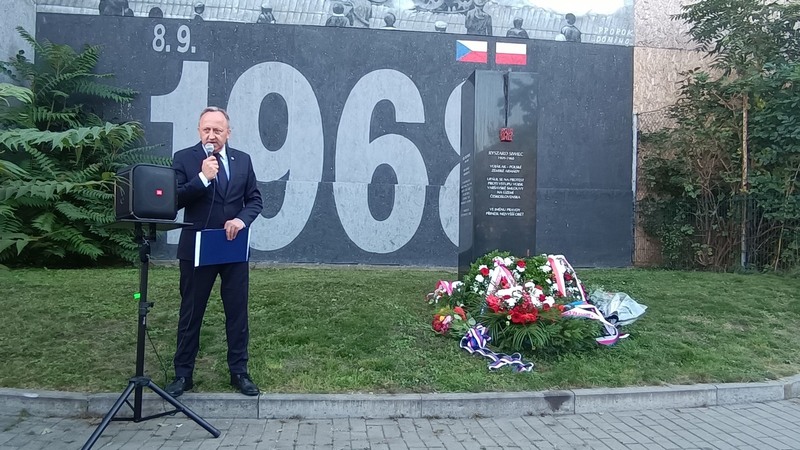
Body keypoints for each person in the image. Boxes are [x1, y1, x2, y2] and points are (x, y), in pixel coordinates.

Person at [166, 107, 263, 397]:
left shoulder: (242, 160)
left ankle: (239, 372)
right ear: (199, 131)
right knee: (191, 312)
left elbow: (254, 200)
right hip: (197, 248)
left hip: (232, 247)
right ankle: (183, 375)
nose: (212, 135)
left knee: (236, 312)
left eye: (217, 130)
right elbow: (175, 199)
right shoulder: (184, 158)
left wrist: (241, 220)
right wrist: (203, 178)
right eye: (207, 129)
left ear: (228, 133)